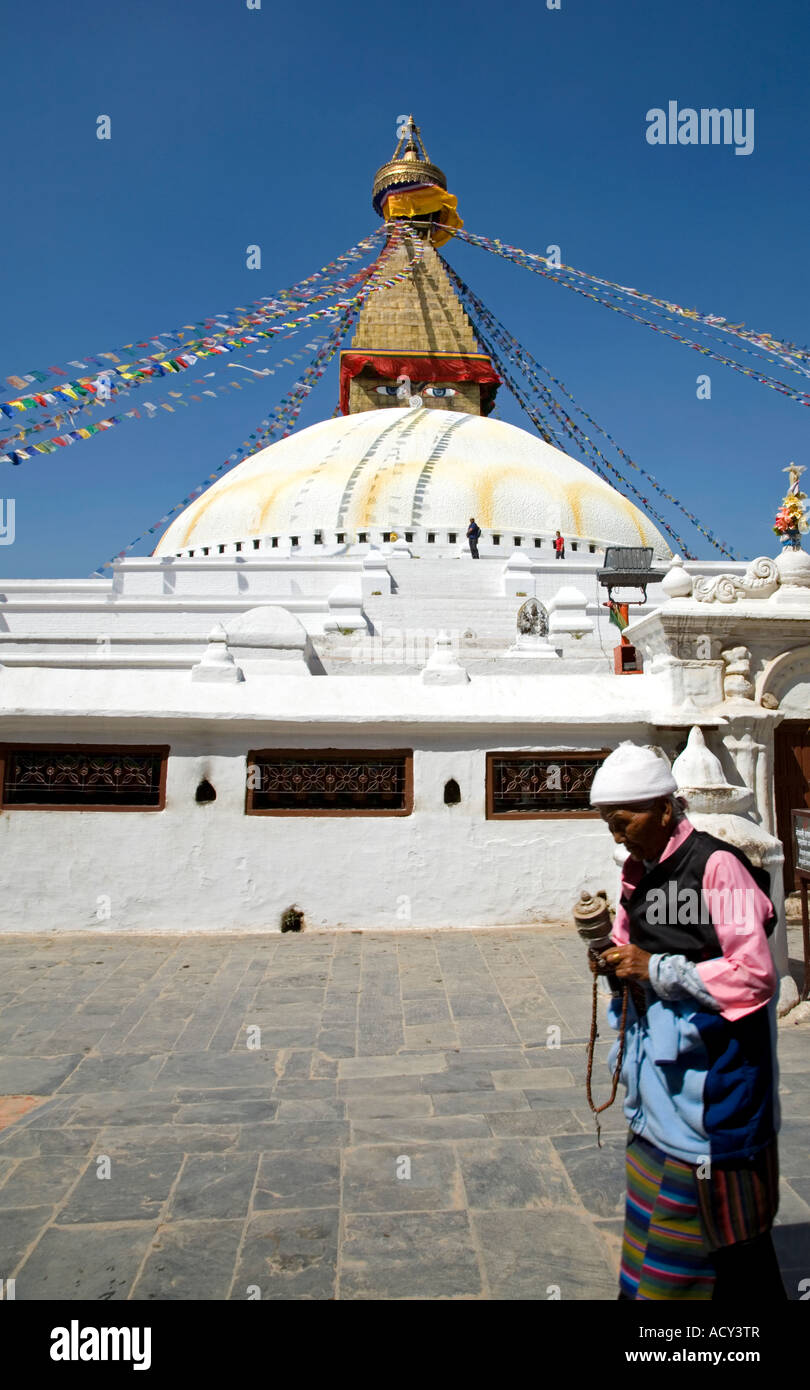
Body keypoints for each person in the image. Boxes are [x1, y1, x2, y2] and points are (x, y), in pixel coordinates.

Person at [588, 741, 785, 1302]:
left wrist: (657, 969)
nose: (616, 833)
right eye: (608, 821)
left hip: (715, 1093)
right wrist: (612, 959)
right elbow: (632, 948)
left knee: (721, 1249)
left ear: (667, 809)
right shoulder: (637, 872)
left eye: (625, 819)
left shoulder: (718, 867)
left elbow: (754, 975)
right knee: (668, 1240)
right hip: (657, 1091)